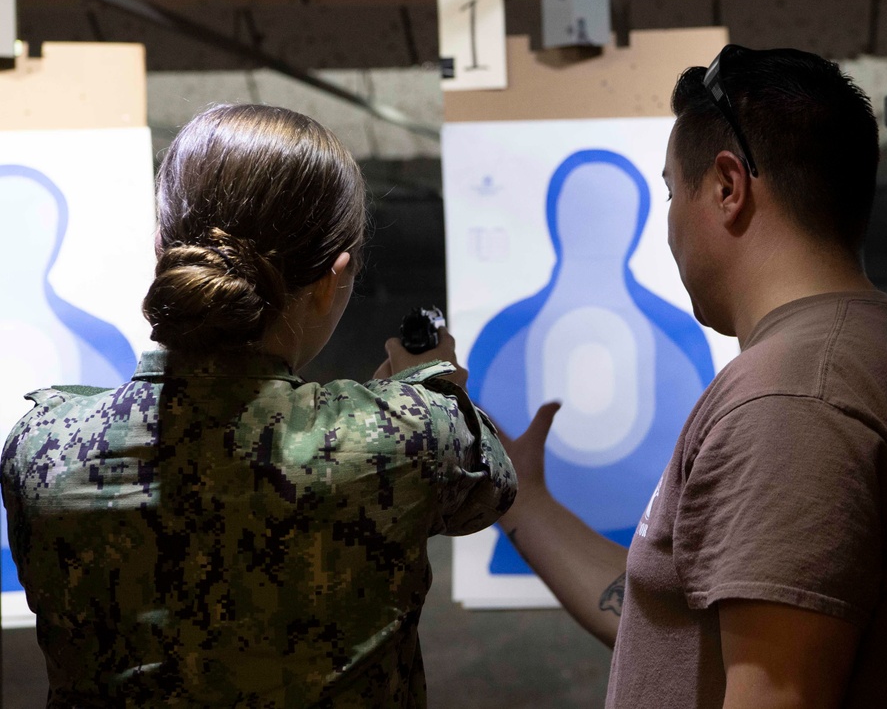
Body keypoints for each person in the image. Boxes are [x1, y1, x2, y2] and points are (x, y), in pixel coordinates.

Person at [499, 45, 887, 708]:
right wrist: (522, 497)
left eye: (673, 191)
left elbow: (776, 691)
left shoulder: (793, 399)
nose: (668, 225)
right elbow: (681, 621)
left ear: (728, 187)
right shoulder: (864, 346)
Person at [1, 103, 515, 708]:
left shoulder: (39, 447)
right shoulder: (409, 435)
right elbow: (489, 487)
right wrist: (432, 383)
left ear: (163, 248)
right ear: (331, 280)